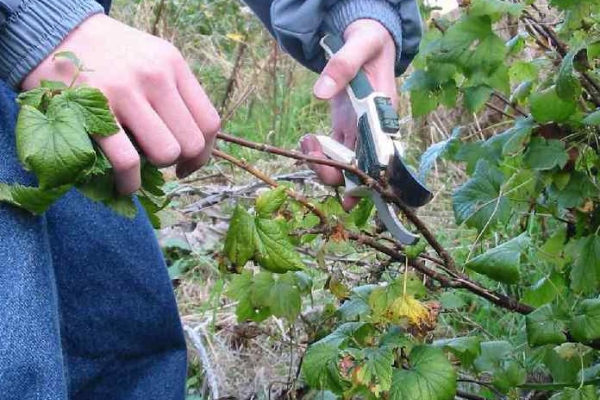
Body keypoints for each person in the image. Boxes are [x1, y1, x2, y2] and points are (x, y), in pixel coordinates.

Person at [0, 0, 422, 398]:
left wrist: (348, 12)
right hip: (48, 51)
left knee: (126, 346)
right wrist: (35, 18)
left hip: (62, 80)